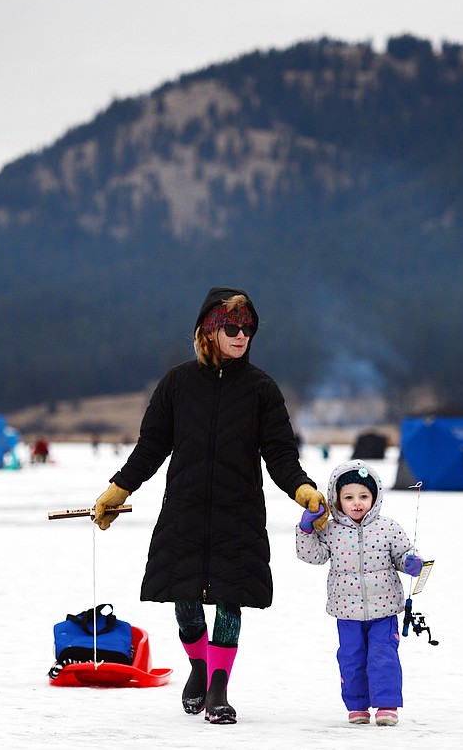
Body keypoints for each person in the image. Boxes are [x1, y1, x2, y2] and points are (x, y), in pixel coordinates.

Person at [92, 286, 328, 725]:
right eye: (233, 328)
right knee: (183, 595)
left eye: (249, 329)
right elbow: (151, 446)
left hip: (238, 513)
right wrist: (119, 488)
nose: (243, 336)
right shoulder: (178, 384)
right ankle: (199, 667)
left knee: (229, 598)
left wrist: (303, 489)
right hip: (184, 508)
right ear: (210, 331)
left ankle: (219, 686)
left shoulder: (262, 389)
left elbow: (279, 453)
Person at [296, 459, 424, 727]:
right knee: (351, 657)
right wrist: (306, 530)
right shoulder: (331, 530)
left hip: (384, 609)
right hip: (347, 610)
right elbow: (314, 555)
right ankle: (357, 705)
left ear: (375, 497)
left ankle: (387, 705)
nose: (357, 503)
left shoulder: (388, 527)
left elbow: (402, 554)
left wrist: (411, 562)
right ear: (336, 499)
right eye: (349, 497)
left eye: (364, 496)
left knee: (383, 655)